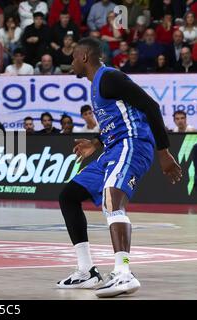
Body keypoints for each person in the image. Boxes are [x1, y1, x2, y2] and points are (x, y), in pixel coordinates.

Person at [57, 37, 182, 298]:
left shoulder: (109, 77)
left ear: (84, 57)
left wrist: (164, 151)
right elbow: (117, 120)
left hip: (133, 144)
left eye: (72, 57)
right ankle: (87, 271)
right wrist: (95, 142)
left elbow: (150, 106)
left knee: (112, 199)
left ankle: (124, 273)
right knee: (69, 196)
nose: (70, 62)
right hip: (113, 147)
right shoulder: (95, 85)